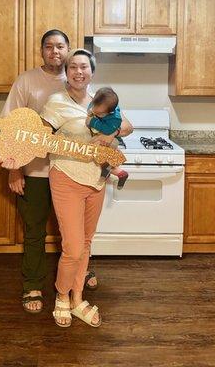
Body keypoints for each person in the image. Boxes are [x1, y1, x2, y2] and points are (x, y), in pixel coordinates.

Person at [0, 30, 97, 314]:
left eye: (60, 47)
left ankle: (79, 275)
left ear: (68, 51)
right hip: (36, 172)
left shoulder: (79, 79)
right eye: (49, 47)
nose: (55, 52)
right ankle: (32, 283)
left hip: (73, 173)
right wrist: (14, 170)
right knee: (35, 231)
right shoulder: (27, 81)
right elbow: (11, 128)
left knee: (76, 235)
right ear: (41, 51)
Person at [41, 49, 133, 327]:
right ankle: (61, 297)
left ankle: (78, 298)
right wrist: (15, 154)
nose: (78, 72)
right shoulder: (56, 102)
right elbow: (40, 137)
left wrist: (110, 134)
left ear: (92, 72)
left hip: (96, 180)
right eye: (73, 67)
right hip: (66, 177)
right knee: (73, 246)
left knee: (86, 243)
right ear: (66, 72)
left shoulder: (102, 100)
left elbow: (127, 125)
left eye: (84, 67)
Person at [86, 86, 129, 189]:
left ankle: (109, 170)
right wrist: (92, 113)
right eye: (94, 107)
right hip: (103, 137)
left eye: (99, 113)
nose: (95, 112)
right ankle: (120, 173)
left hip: (113, 140)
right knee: (100, 154)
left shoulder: (115, 118)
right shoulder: (98, 103)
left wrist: (92, 121)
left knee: (92, 147)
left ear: (109, 112)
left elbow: (108, 130)